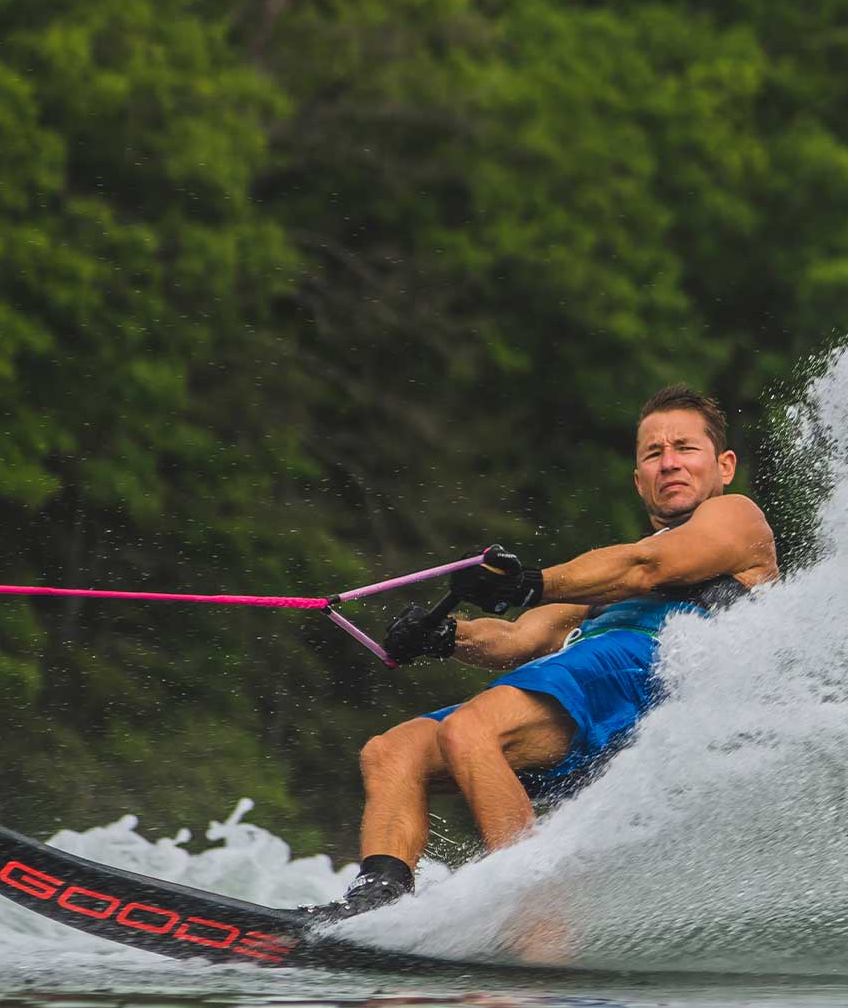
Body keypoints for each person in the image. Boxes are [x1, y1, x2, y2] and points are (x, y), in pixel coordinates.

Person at [326, 386, 779, 916]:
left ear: (724, 465)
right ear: (638, 480)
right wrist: (445, 635)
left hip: (654, 671)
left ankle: (537, 919)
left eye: (684, 448)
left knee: (471, 728)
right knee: (392, 751)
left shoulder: (737, 518)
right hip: (588, 693)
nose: (669, 463)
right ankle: (370, 908)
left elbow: (646, 566)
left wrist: (530, 582)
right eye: (653, 454)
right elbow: (520, 638)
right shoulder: (603, 584)